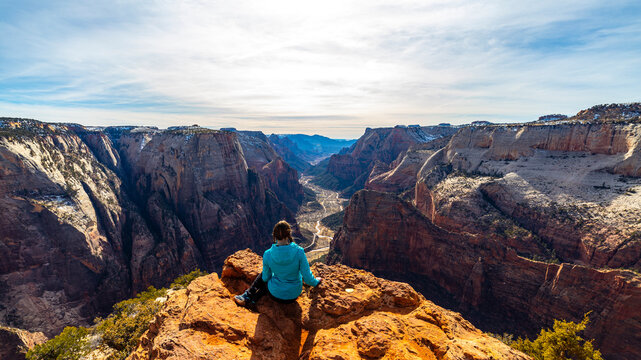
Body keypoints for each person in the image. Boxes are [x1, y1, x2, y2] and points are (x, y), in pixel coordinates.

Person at [234, 220, 322, 309]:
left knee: (264, 275)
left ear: (274, 236)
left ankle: (248, 296)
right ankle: (251, 299)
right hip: (294, 295)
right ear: (289, 234)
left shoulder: (268, 254)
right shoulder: (299, 251)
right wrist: (316, 282)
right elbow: (307, 278)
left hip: (275, 295)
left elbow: (265, 278)